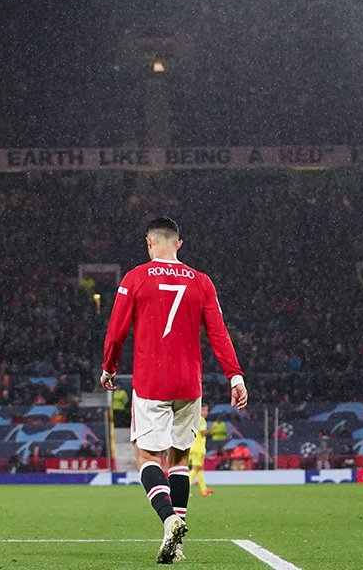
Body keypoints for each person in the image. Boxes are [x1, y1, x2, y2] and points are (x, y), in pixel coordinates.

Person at [101, 217, 247, 564]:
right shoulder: (202, 281)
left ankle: (169, 520)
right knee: (180, 458)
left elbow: (117, 330)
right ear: (179, 243)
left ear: (149, 243)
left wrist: (109, 367)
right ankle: (177, 545)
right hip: (189, 384)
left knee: (146, 457)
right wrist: (235, 376)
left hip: (152, 382)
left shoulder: (135, 277)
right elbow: (218, 333)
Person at [189, 403, 213, 497]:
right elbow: (203, 433)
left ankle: (204, 489)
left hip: (194, 446)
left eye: (206, 410)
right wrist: (211, 428)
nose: (205, 412)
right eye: (203, 410)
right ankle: (184, 489)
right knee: (196, 468)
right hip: (199, 447)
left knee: (200, 469)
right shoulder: (201, 420)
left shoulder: (194, 419)